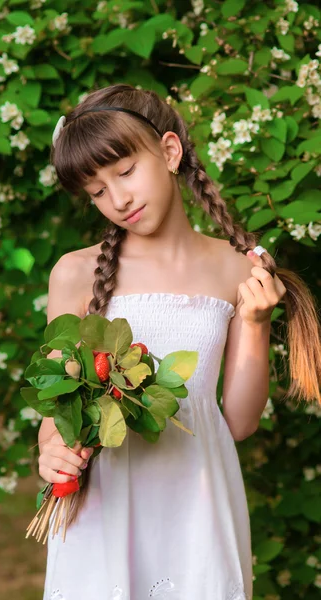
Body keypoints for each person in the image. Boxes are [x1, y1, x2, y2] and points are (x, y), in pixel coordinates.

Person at [37, 84, 321, 600]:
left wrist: (256, 324)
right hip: (106, 500)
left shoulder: (236, 269)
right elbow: (58, 404)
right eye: (98, 191)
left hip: (197, 503)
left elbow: (238, 420)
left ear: (169, 152)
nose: (117, 199)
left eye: (125, 172)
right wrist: (49, 451)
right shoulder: (75, 273)